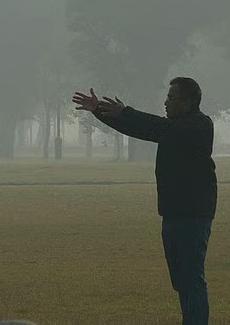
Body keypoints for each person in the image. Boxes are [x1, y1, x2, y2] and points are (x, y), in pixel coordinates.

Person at [73, 78, 216, 325]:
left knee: (192, 278)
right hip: (172, 213)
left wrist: (126, 111)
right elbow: (137, 128)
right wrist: (99, 111)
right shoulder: (171, 128)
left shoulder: (198, 126)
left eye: (171, 98)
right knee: (181, 279)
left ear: (188, 101)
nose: (166, 102)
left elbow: (158, 126)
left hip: (193, 214)